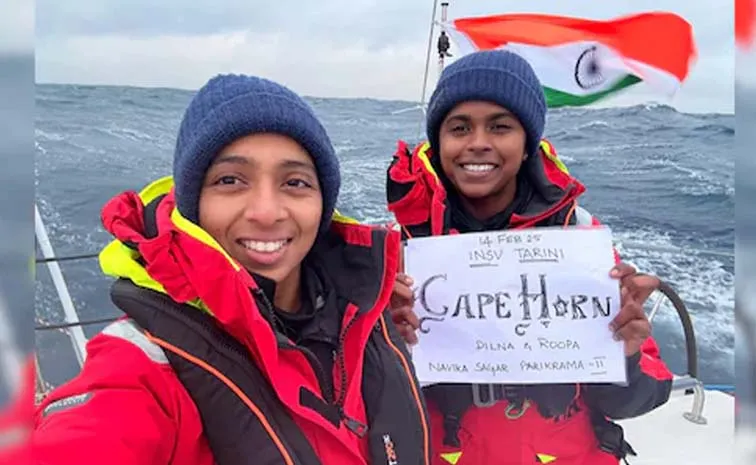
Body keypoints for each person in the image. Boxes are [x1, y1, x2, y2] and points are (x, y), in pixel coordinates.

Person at [32, 74, 431, 465]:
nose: (266, 212)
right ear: (193, 205)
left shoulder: (366, 315)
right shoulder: (144, 364)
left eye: (295, 182)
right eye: (230, 180)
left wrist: (381, 329)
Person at [385, 50, 674, 465]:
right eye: (459, 127)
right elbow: (361, 400)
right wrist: (387, 341)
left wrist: (625, 354)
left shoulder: (580, 243)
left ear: (526, 145)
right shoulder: (399, 254)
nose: (478, 142)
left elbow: (631, 401)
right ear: (439, 141)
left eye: (500, 126)